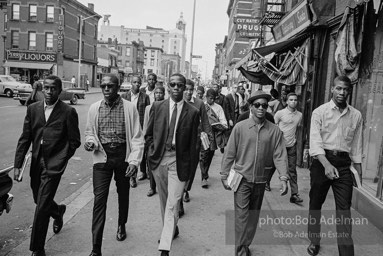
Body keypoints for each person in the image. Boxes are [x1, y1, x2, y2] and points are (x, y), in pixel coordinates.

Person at [14, 75, 81, 256]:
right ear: (42, 89)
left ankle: (37, 248)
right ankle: (58, 211)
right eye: (47, 88)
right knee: (39, 199)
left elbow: (74, 141)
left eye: (54, 89)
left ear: (59, 91)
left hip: (54, 165)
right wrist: (17, 164)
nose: (50, 92)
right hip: (37, 162)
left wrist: (61, 158)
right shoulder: (33, 109)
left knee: (41, 205)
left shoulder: (68, 112)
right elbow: (25, 137)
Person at [221, 90, 288, 256]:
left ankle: (245, 244)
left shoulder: (274, 130)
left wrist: (283, 177)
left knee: (253, 218)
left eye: (264, 105)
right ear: (250, 107)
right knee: (242, 217)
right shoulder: (240, 128)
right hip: (241, 179)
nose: (261, 108)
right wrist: (224, 174)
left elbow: (279, 155)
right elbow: (230, 152)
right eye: (257, 105)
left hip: (260, 181)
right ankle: (241, 252)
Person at [85, 73, 144, 256]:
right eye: (103, 86)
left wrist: (134, 162)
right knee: (99, 201)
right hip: (102, 158)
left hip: (122, 157)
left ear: (118, 87)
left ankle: (121, 224)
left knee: (123, 195)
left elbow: (137, 137)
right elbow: (90, 132)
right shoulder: (94, 108)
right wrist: (90, 142)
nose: (106, 89)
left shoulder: (129, 108)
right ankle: (96, 248)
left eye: (110, 86)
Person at [307, 76, 363, 256]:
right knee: (315, 204)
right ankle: (314, 241)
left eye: (345, 89)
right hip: (321, 162)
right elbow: (315, 143)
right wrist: (326, 165)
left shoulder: (356, 115)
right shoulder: (320, 112)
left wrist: (358, 169)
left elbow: (356, 144)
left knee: (344, 211)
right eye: (338, 88)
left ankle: (346, 253)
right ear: (332, 89)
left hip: (344, 165)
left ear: (349, 91)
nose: (342, 92)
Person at [145, 73, 200, 256]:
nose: (176, 88)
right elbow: (149, 134)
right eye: (173, 84)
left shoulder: (192, 112)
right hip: (159, 159)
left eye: (180, 85)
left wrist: (190, 176)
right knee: (164, 201)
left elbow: (194, 146)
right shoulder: (158, 106)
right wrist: (152, 153)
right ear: (168, 87)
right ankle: (172, 229)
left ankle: (165, 246)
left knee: (172, 203)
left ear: (185, 88)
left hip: (179, 160)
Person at [181, 79, 213, 210]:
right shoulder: (178, 102)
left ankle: (186, 189)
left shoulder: (199, 104)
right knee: (180, 168)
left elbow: (205, 122)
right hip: (180, 142)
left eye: (190, 89)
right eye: (186, 89)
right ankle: (180, 195)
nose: (188, 92)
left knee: (192, 168)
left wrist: (209, 139)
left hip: (195, 141)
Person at [274, 92, 303, 204]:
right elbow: (274, 127)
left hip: (292, 146)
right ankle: (266, 182)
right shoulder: (280, 113)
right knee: (273, 165)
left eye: (295, 100)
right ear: (286, 101)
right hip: (279, 145)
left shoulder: (299, 115)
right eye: (291, 100)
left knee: (292, 170)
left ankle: (294, 194)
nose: (293, 102)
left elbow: (298, 129)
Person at [121, 75, 150, 187]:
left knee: (138, 151)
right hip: (128, 127)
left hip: (141, 127)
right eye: (134, 82)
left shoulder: (145, 97)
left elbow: (148, 112)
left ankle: (138, 174)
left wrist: (146, 129)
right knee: (129, 152)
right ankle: (131, 176)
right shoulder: (124, 96)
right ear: (131, 83)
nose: (137, 84)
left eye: (139, 82)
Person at [200, 88, 227, 189]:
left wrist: (219, 125)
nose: (212, 100)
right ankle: (204, 177)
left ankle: (205, 172)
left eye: (214, 98)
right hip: (203, 135)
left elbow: (224, 122)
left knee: (210, 155)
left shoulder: (218, 108)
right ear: (206, 97)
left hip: (213, 136)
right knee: (203, 156)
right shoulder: (202, 106)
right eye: (210, 98)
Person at [142, 85, 166, 197]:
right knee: (151, 165)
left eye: (161, 93)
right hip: (152, 141)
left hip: (163, 141)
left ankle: (163, 187)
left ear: (164, 94)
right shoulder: (148, 108)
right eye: (156, 93)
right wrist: (147, 141)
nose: (158, 95)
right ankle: (152, 187)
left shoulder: (167, 107)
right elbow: (146, 125)